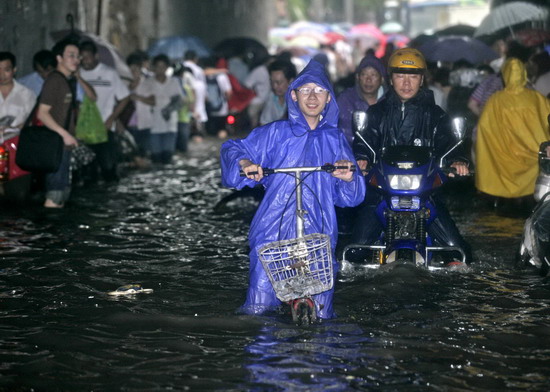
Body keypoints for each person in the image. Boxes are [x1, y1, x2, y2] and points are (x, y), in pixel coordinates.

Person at [220, 60, 366, 319]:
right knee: (257, 312)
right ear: (294, 95)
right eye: (305, 90)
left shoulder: (335, 140)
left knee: (322, 316)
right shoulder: (275, 134)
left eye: (319, 90)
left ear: (328, 98)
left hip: (318, 235)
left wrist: (348, 178)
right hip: (272, 233)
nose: (312, 96)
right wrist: (246, 164)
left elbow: (352, 198)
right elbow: (233, 148)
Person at [352, 48, 472, 264]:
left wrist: (458, 160)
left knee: (460, 254)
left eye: (413, 76)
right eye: (400, 76)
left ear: (422, 79)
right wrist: (362, 158)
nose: (406, 83)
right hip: (381, 195)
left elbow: (449, 142)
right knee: (352, 254)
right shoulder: (376, 113)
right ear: (390, 79)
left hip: (426, 196)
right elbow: (365, 140)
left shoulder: (436, 115)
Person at [475, 58, 550, 201]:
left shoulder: (495, 100)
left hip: (503, 164)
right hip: (533, 164)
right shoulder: (537, 98)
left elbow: (485, 131)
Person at [36, 39, 80, 208]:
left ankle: (56, 232)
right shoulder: (55, 80)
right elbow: (42, 113)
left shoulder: (66, 81)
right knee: (55, 194)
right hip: (56, 144)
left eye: (77, 56)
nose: (76, 59)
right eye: (71, 55)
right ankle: (48, 232)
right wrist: (65, 134)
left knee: (61, 192)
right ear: (59, 58)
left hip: (64, 145)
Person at [79, 40, 130, 182]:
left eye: (87, 57)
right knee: (88, 171)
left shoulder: (109, 73)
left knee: (108, 168)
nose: (85, 61)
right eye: (81, 58)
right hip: (85, 129)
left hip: (105, 127)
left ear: (96, 56)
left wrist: (112, 118)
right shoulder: (77, 74)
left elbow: (125, 98)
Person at [137, 54, 184, 164]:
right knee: (155, 157)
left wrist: (160, 104)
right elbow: (142, 99)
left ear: (167, 68)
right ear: (153, 68)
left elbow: (179, 101)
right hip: (153, 125)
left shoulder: (174, 82)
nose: (160, 70)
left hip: (170, 125)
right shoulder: (147, 83)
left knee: (168, 156)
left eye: (163, 67)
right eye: (158, 67)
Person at [336, 53, 386, 145]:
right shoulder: (344, 100)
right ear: (358, 77)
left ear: (382, 79)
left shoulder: (389, 102)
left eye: (373, 75)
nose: (368, 79)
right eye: (364, 74)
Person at [0, 52, 37, 133]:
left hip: (17, 140)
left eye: (7, 70)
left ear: (14, 70)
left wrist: (12, 129)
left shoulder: (27, 94)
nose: (1, 75)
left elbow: (32, 121)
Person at [258, 59, 296, 126]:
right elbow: (264, 123)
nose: (274, 86)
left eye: (279, 82)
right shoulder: (272, 97)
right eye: (272, 82)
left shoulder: (299, 101)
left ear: (291, 81)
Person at [183, 50, 208, 140]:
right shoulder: (198, 70)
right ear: (195, 59)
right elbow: (203, 84)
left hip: (183, 93)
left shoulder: (180, 66)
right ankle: (198, 131)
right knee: (199, 110)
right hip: (197, 90)